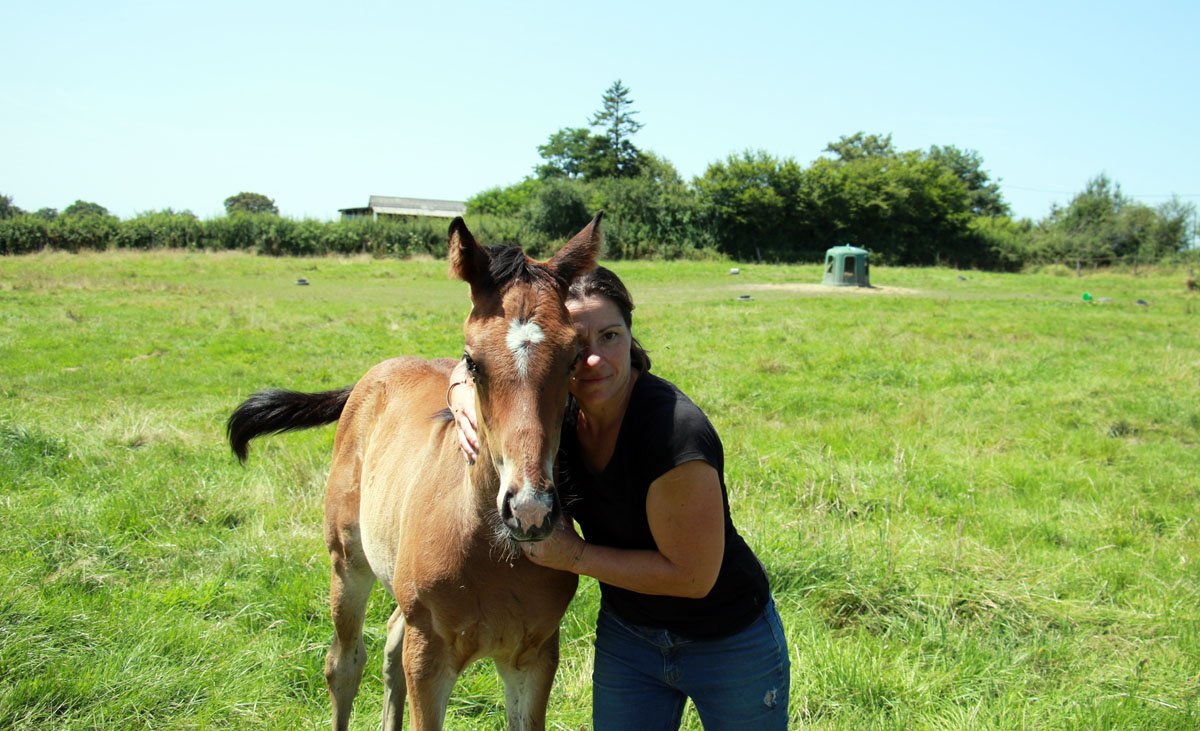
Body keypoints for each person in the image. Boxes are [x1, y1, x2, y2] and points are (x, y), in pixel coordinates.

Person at [447, 266, 790, 730]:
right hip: (630, 639)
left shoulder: (675, 435)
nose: (593, 359)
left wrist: (573, 555)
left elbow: (694, 577)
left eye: (609, 336)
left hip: (728, 641)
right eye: (577, 344)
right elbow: (496, 356)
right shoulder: (559, 416)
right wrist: (460, 387)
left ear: (631, 336)